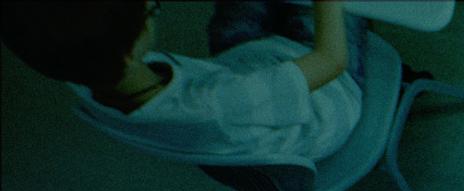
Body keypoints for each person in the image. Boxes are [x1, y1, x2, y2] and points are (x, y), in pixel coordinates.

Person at [0, 0, 364, 163]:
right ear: (131, 50)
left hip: (237, 68)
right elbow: (331, 60)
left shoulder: (79, 73)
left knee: (235, 21)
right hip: (327, 98)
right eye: (151, 9)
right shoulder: (216, 106)